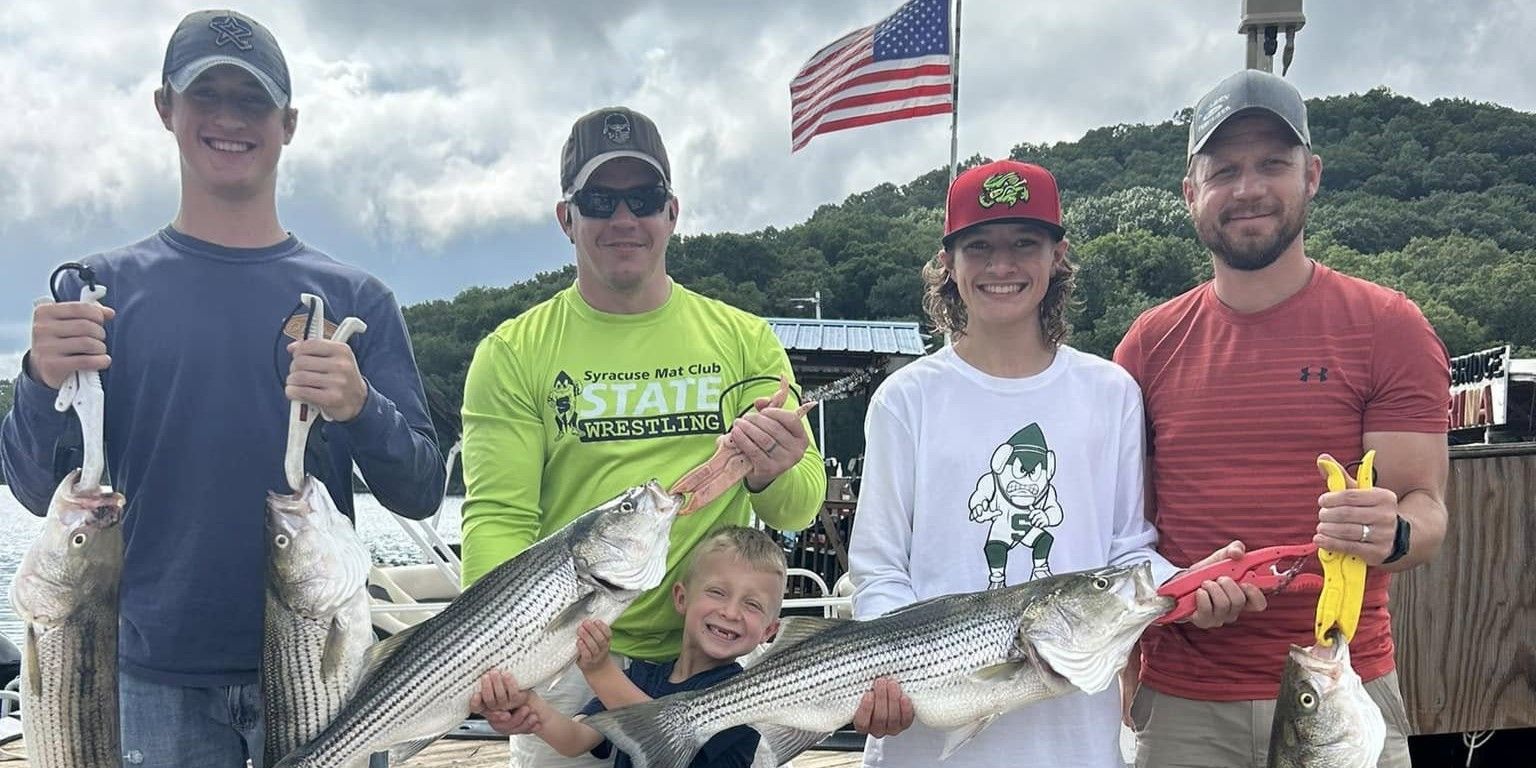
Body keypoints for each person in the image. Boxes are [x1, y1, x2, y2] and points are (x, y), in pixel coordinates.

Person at [0, 10, 445, 767]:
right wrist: (39, 382)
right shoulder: (101, 291)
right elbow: (33, 486)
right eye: (207, 95)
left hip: (325, 655)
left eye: (254, 101)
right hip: (146, 676)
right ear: (165, 108)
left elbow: (422, 488)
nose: (230, 119)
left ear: (289, 123)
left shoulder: (356, 300)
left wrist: (360, 406)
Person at [458, 106, 827, 767]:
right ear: (566, 217)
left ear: (672, 212)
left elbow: (798, 506)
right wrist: (496, 657)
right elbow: (499, 519)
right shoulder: (511, 352)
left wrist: (771, 468)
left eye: (644, 198)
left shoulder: (744, 339)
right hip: (567, 660)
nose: (624, 218)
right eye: (599, 201)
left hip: (713, 667)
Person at [848, 159, 1248, 768]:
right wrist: (894, 676)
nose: (1001, 266)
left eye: (1024, 245)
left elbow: (1127, 553)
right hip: (922, 743)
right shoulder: (904, 399)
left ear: (1057, 256)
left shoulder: (1110, 391)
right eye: (979, 247)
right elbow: (879, 572)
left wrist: (1191, 585)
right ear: (948, 262)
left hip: (1074, 745)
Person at [1114, 69, 1449, 768]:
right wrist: (1180, 589)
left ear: (1312, 176)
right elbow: (1127, 534)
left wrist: (1390, 531)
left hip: (1343, 685)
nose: (1248, 189)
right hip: (1182, 703)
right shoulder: (1146, 344)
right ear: (1190, 193)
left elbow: (1427, 514)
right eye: (1223, 170)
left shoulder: (1389, 326)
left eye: (1272, 163)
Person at [470, 526, 787, 767]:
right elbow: (575, 739)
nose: (730, 612)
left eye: (752, 605)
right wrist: (526, 704)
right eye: (717, 592)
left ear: (769, 631)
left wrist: (599, 671)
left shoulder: (749, 697)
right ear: (681, 598)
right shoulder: (641, 677)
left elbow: (664, 734)